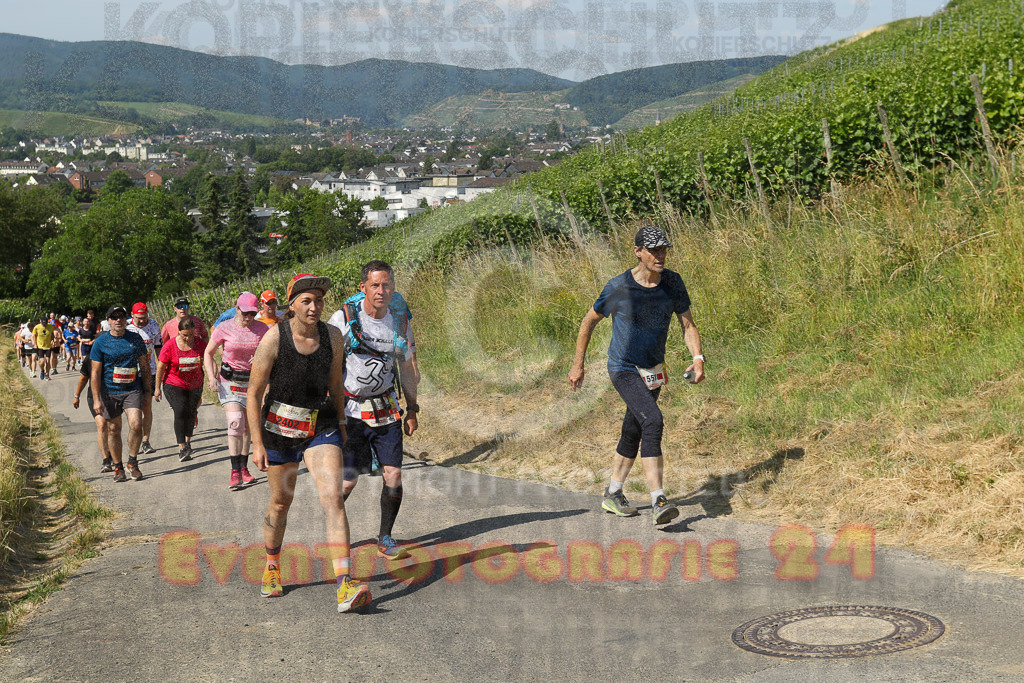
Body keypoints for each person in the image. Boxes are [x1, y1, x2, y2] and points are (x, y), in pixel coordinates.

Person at [568, 224, 705, 526]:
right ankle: (659, 499)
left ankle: (613, 493)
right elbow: (588, 322)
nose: (660, 255)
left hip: (653, 369)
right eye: (654, 250)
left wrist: (698, 358)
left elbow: (688, 325)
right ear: (638, 252)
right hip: (624, 367)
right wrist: (578, 365)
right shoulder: (619, 287)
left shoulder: (673, 283)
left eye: (664, 249)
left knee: (634, 429)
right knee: (652, 420)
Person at [248, 273, 369, 612]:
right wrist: (257, 443)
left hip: (321, 425)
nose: (314, 307)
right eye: (307, 301)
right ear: (292, 305)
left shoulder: (333, 336)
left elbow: (335, 382)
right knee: (280, 503)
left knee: (333, 497)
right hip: (279, 429)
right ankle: (272, 565)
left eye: (318, 301)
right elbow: (253, 394)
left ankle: (344, 584)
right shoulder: (274, 338)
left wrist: (342, 422)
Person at [327, 260, 419, 560]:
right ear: (363, 287)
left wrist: (412, 408)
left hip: (386, 408)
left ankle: (386, 538)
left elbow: (408, 367)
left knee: (393, 475)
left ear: (393, 287)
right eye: (375, 285)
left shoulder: (400, 320)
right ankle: (334, 531)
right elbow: (326, 362)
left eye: (387, 285)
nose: (381, 291)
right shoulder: (343, 319)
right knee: (348, 481)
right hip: (351, 411)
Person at [204, 292, 269, 489]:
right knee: (235, 422)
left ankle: (244, 468)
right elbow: (208, 353)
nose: (249, 317)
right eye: (245, 313)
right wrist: (211, 377)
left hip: (252, 383)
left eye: (253, 314)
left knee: (248, 427)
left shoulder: (262, 329)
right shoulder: (224, 327)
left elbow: (272, 352)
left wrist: (261, 357)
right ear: (237, 309)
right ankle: (234, 472)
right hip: (229, 381)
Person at [91, 305, 152, 482]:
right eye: (114, 317)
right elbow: (95, 373)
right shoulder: (101, 342)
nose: (118, 320)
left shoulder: (135, 338)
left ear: (126, 319)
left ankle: (132, 462)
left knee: (136, 425)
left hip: (132, 389)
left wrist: (148, 391)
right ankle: (118, 467)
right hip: (110, 391)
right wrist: (96, 400)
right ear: (108, 320)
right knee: (113, 429)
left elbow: (145, 366)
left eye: (121, 317)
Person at [156, 317, 207, 462]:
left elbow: (209, 359)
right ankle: (182, 447)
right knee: (180, 410)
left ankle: (188, 441)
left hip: (195, 383)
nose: (188, 338)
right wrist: (157, 388)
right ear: (179, 332)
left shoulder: (200, 344)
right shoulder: (170, 345)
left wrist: (214, 377)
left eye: (191, 334)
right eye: (185, 335)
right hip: (173, 382)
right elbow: (161, 367)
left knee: (190, 411)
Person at [127, 302, 163, 455]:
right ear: (132, 315)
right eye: (139, 318)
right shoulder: (126, 327)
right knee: (134, 409)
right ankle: (135, 436)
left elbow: (158, 348)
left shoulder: (153, 325)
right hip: (131, 372)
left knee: (147, 406)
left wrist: (162, 368)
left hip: (150, 371)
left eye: (144, 317)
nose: (142, 320)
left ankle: (146, 441)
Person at [73, 348, 114, 473]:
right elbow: (83, 379)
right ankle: (106, 460)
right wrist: (77, 396)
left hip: (113, 395)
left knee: (112, 427)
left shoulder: (115, 354)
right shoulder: (90, 358)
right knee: (102, 425)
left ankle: (112, 453)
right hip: (94, 396)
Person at [32, 315, 55, 381]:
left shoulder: (50, 326)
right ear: (40, 321)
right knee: (42, 361)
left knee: (48, 361)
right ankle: (42, 370)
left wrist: (52, 340)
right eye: (43, 323)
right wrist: (35, 344)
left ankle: (47, 374)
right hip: (40, 346)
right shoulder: (37, 327)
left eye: (45, 323)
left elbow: (52, 334)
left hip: (48, 346)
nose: (44, 325)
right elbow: (33, 336)